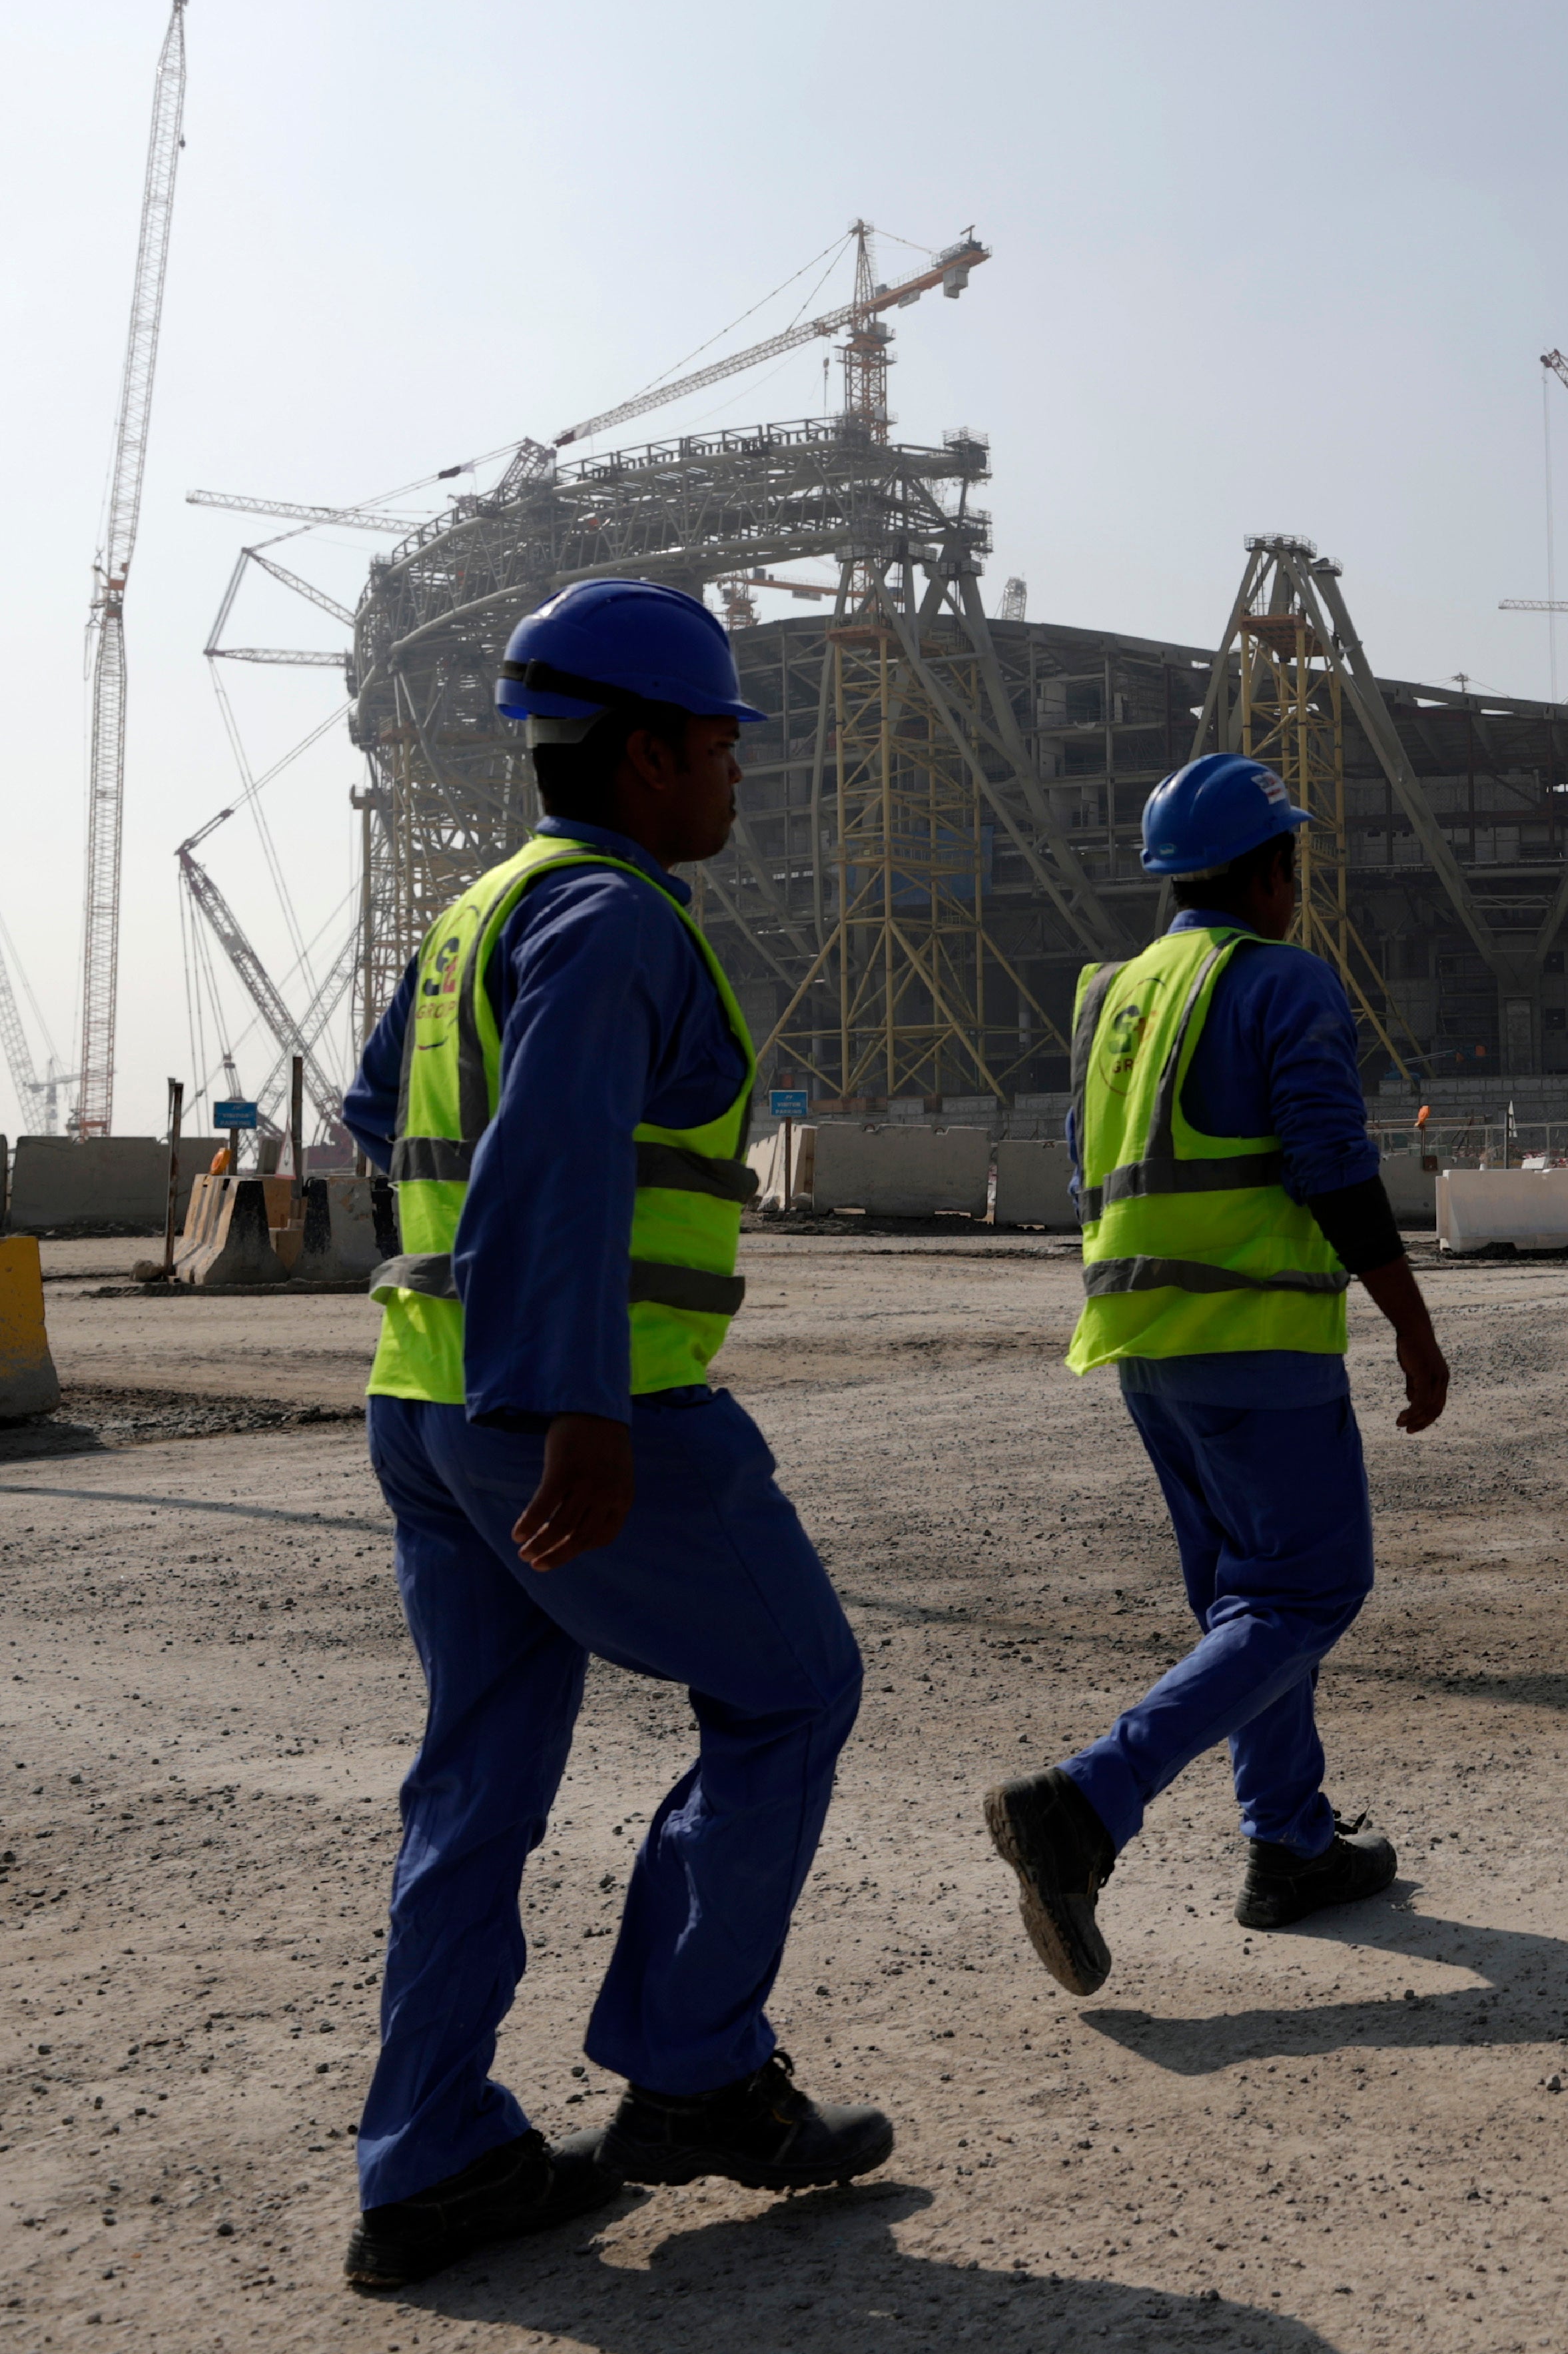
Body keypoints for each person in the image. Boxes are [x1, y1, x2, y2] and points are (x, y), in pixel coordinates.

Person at [338, 578, 886, 2291]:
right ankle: (694, 2071)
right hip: (588, 1412)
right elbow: (560, 1150)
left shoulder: (472, 914)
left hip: (423, 1404)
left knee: (479, 1778)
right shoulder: (618, 918)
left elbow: (380, 1114)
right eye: (723, 744)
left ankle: (428, 2159)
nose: (737, 776)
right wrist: (580, 1403)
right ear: (650, 753)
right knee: (793, 1686)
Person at [982, 752, 1449, 1999]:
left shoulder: (1113, 995)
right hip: (1256, 1340)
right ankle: (1087, 1802)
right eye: (1293, 864)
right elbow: (1330, 1160)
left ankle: (1288, 1840)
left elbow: (1089, 1165)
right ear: (1267, 872)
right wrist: (1410, 1318)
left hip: (1141, 1340)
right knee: (1305, 1593)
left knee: (1247, 1600)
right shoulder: (1277, 978)